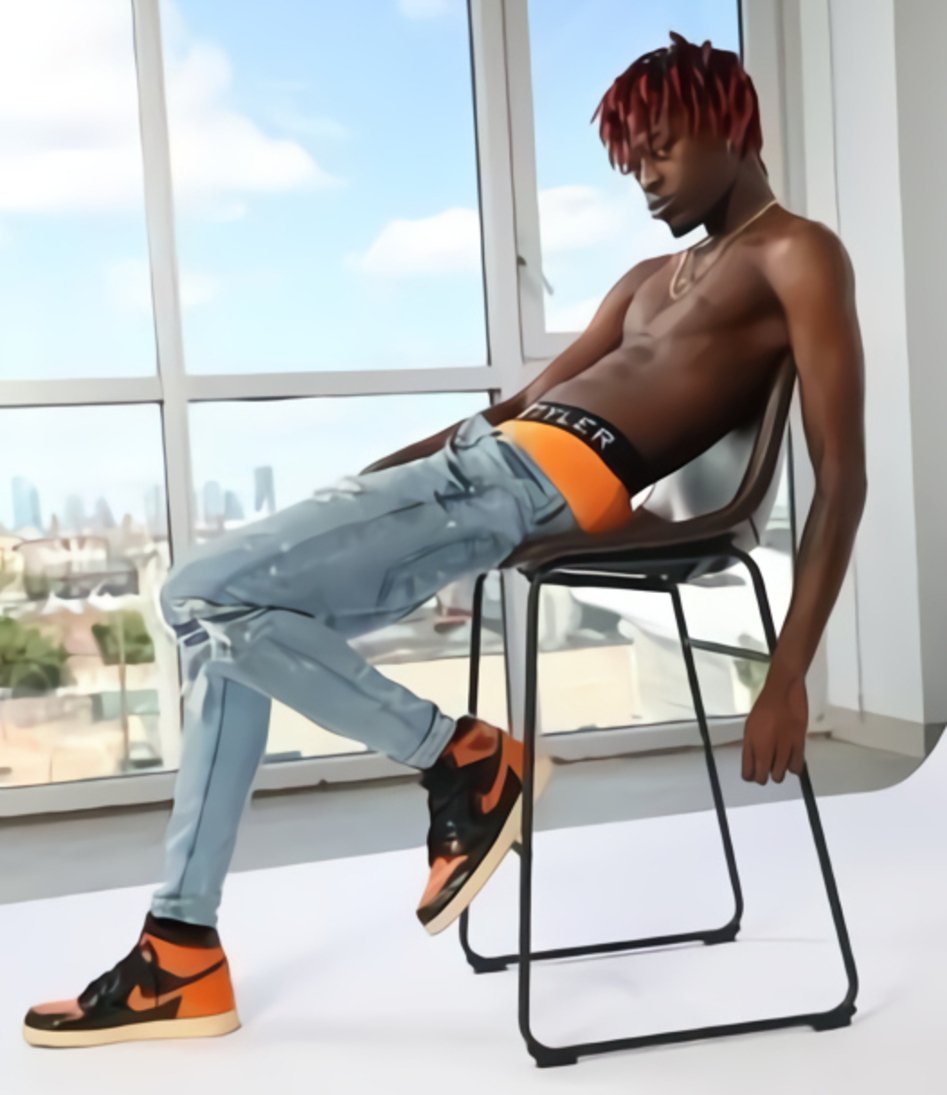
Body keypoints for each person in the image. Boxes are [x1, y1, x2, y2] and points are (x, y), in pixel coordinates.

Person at [24, 31, 866, 1048]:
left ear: (732, 126)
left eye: (661, 149)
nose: (643, 177)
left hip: (529, 488)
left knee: (195, 591)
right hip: (476, 467)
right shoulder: (647, 279)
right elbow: (513, 406)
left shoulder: (796, 253)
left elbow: (840, 473)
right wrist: (369, 485)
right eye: (630, 158)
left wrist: (786, 674)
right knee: (225, 631)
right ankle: (180, 950)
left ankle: (461, 760)